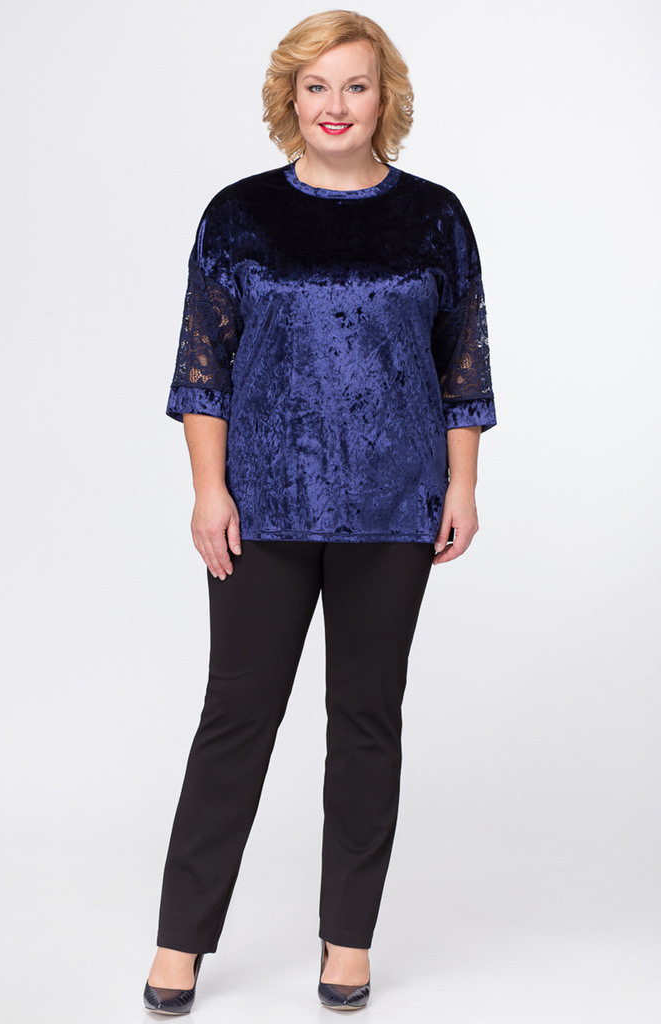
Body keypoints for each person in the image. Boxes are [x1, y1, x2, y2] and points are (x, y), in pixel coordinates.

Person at [144, 9, 496, 1014]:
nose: (335, 105)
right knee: (236, 717)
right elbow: (202, 369)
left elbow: (462, 364)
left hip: (394, 504)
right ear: (289, 97)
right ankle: (180, 939)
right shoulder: (239, 216)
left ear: (386, 97)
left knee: (367, 720)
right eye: (316, 86)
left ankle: (349, 939)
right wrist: (208, 490)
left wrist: (461, 486)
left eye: (355, 85)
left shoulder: (434, 218)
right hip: (263, 505)